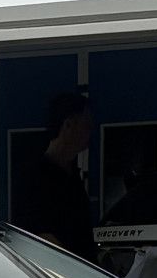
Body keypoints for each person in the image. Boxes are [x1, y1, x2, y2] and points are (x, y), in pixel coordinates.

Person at [11, 90, 98, 261]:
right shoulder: (34, 177)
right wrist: (74, 268)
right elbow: (37, 234)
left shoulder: (73, 176)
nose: (91, 132)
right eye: (86, 125)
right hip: (57, 273)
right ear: (68, 125)